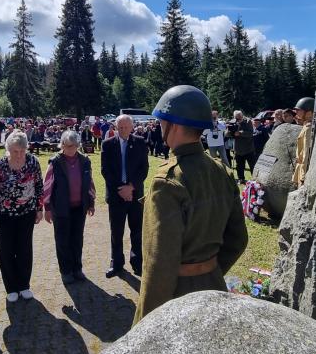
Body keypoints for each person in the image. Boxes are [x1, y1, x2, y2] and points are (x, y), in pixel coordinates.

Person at [133, 85, 248, 324]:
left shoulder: (167, 182)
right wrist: (209, 270)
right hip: (214, 289)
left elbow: (159, 264)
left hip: (176, 301)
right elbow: (238, 239)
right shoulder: (222, 172)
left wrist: (144, 324)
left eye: (162, 121)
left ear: (172, 125)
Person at [0, 131, 43, 303]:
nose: (18, 154)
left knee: (25, 249)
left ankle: (24, 285)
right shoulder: (0, 165)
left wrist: (39, 209)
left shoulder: (33, 162)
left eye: (22, 151)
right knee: (6, 250)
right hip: (2, 214)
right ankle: (11, 288)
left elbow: (39, 186)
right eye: (14, 151)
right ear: (8, 149)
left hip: (27, 213)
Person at [43, 130, 96, 285]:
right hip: (60, 209)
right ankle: (66, 271)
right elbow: (47, 186)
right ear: (62, 145)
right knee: (62, 241)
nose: (69, 149)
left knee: (77, 240)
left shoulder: (85, 161)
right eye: (66, 146)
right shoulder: (55, 162)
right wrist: (47, 208)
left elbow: (90, 183)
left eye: (72, 146)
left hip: (79, 208)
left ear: (78, 145)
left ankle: (77, 269)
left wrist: (91, 203)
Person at [101, 114, 149, 278]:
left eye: (126, 127)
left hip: (135, 195)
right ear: (115, 127)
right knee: (117, 231)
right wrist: (121, 189)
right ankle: (117, 263)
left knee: (136, 230)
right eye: (120, 127)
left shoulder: (140, 142)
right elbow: (105, 171)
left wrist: (131, 187)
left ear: (132, 127)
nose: (123, 130)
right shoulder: (107, 144)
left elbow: (144, 169)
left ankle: (137, 263)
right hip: (116, 195)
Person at [292, 97, 315, 188]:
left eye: (299, 110)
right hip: (300, 166)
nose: (296, 112)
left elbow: (307, 153)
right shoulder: (306, 125)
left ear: (309, 112)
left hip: (304, 169)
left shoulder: (309, 127)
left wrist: (303, 175)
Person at [232, 110, 255, 183]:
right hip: (238, 149)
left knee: (252, 165)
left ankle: (255, 179)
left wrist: (240, 133)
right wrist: (231, 132)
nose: (238, 120)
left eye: (239, 118)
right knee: (239, 166)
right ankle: (241, 179)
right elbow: (226, 133)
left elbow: (250, 133)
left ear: (242, 116)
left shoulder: (248, 121)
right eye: (236, 118)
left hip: (248, 148)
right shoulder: (233, 122)